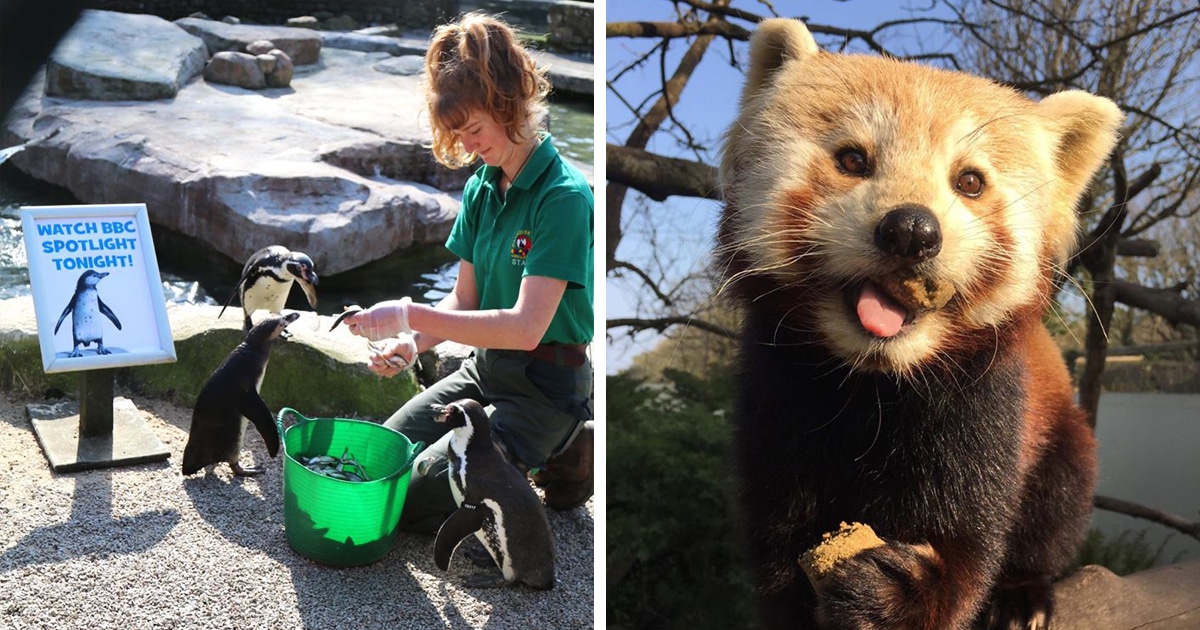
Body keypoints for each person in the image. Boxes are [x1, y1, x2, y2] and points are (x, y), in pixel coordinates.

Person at [343, 12, 594, 534]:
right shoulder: (482, 187)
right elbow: (464, 299)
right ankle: (530, 454)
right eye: (458, 133)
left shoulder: (564, 197)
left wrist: (408, 311)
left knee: (407, 501)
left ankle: (566, 440)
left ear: (511, 101)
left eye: (474, 129)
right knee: (380, 460)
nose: (469, 145)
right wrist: (414, 344)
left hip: (545, 385)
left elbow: (527, 327)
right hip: (484, 373)